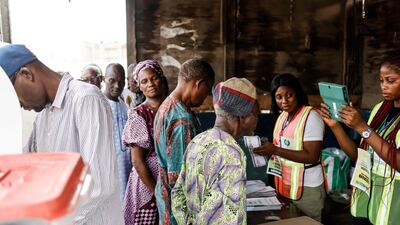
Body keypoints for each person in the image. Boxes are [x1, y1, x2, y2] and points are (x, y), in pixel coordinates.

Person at [0, 44, 123, 225]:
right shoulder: (42, 115)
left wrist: (52, 219)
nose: (20, 105)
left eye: (16, 97)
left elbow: (99, 182)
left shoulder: (86, 99)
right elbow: (28, 165)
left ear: (26, 74)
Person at [320, 52, 400, 225]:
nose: (383, 86)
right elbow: (359, 157)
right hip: (372, 205)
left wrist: (363, 128)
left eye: (390, 81)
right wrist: (335, 126)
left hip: (395, 207)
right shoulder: (380, 110)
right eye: (381, 80)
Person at [172, 77, 259, 225]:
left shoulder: (198, 140)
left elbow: (177, 195)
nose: (257, 120)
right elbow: (227, 219)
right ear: (243, 116)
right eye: (256, 114)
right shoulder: (231, 153)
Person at [253, 73, 326, 222]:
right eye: (279, 97)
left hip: (308, 188)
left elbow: (312, 156)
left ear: (297, 93)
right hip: (287, 187)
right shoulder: (283, 116)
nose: (284, 101)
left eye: (289, 95)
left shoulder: (311, 117)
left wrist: (275, 149)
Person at [154, 59, 215, 225]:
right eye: (207, 90)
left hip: (165, 196)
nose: (206, 97)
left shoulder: (166, 105)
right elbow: (179, 177)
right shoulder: (182, 119)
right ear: (198, 84)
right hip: (177, 209)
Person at [122, 59, 169, 225]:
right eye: (144, 81)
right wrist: (157, 192)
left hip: (169, 181)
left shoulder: (172, 109)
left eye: (154, 78)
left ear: (161, 78)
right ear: (139, 86)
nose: (150, 84)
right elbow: (137, 161)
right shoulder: (138, 115)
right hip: (147, 184)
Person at [103, 63, 132, 201]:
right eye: (112, 80)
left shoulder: (123, 103)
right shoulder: (99, 104)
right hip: (110, 167)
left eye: (121, 81)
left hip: (127, 163)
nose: (117, 85)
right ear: (104, 79)